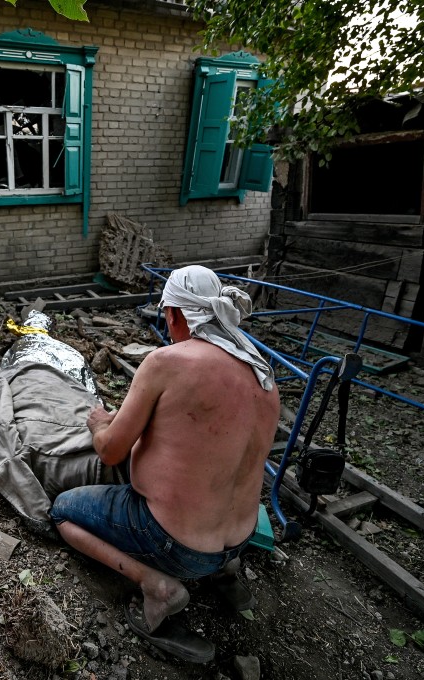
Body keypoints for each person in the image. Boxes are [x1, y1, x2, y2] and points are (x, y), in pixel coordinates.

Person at [50, 265, 280, 662]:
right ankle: (228, 573)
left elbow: (110, 452)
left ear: (174, 314)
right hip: (240, 538)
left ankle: (157, 586)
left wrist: (101, 423)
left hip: (176, 546)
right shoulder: (262, 372)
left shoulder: (167, 363)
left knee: (62, 512)